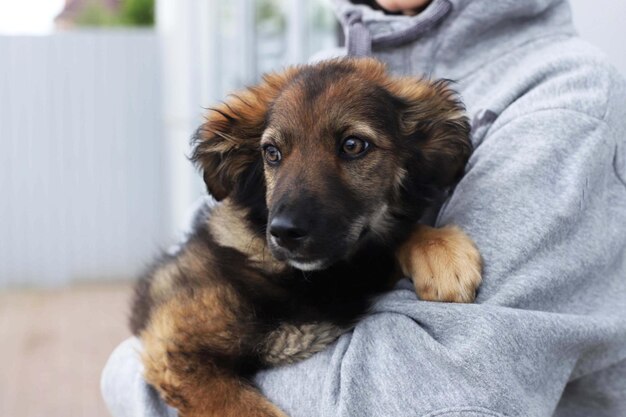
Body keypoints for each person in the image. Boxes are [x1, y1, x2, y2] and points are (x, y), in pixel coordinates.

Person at [101, 0, 626, 416]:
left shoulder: (565, 94)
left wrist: (134, 385)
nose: (287, 215)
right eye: (274, 154)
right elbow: (163, 350)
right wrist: (132, 375)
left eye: (354, 147)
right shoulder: (305, 81)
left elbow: (446, 395)